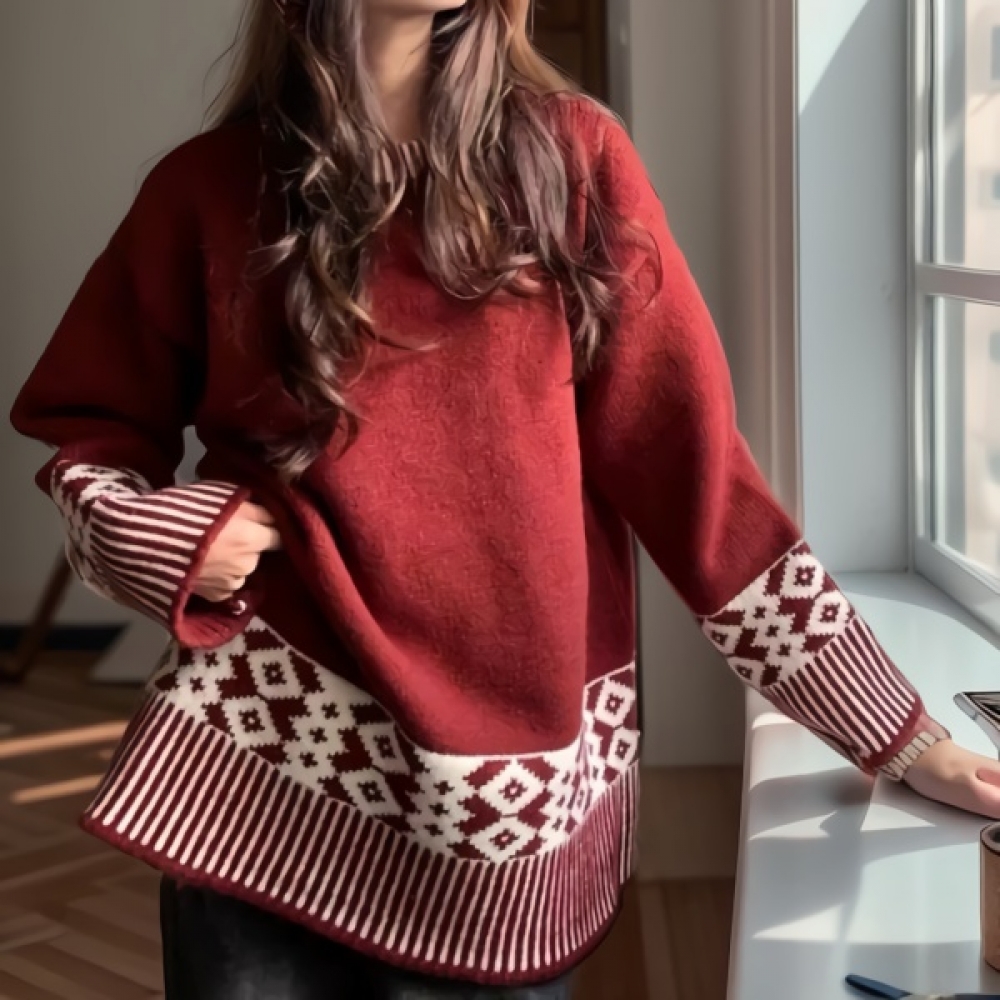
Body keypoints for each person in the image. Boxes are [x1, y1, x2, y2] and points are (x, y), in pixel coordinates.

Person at [10, 0, 1000, 997]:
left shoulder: (571, 161)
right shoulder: (206, 188)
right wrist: (158, 535)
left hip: (494, 824)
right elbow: (86, 430)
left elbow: (698, 484)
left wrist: (898, 733)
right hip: (258, 784)